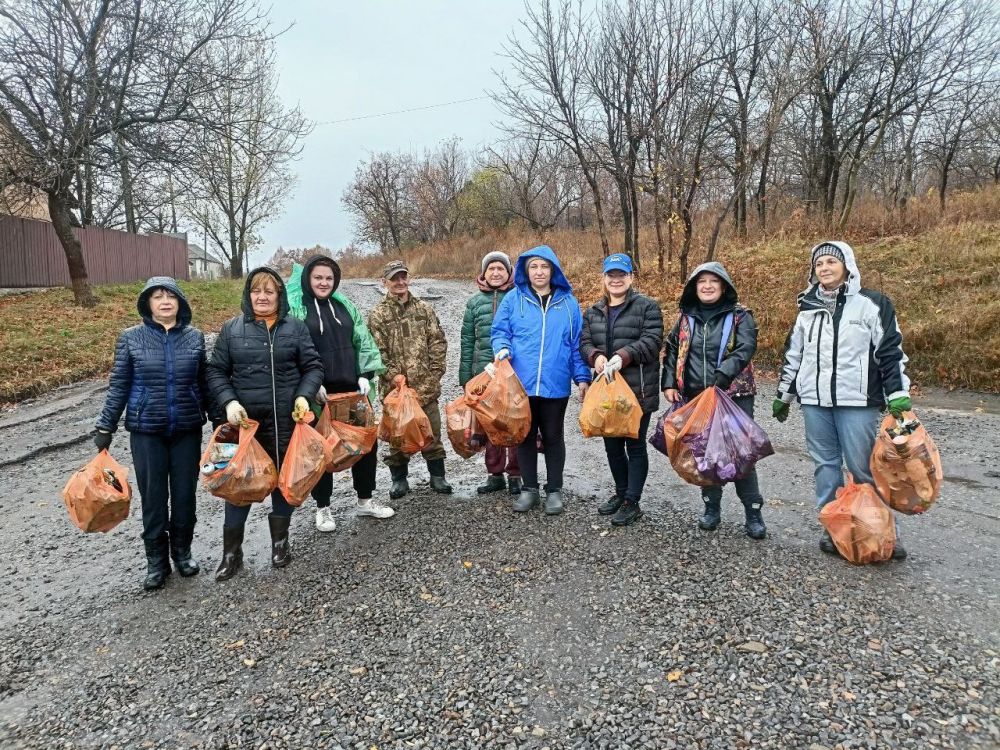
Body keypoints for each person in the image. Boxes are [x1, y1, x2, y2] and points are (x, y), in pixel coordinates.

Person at [774, 241, 911, 560]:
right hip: (815, 401)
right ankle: (834, 525)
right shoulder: (806, 308)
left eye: (831, 262)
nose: (824, 268)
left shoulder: (871, 304)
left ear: (847, 265)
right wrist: (784, 394)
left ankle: (884, 530)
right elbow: (795, 354)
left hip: (857, 401)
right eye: (818, 263)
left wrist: (897, 393)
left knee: (865, 468)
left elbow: (889, 352)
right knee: (825, 466)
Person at [206, 267, 324, 580]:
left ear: (278, 296)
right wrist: (228, 402)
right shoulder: (232, 330)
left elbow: (313, 367)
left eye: (269, 292)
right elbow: (215, 371)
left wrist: (304, 396)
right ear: (248, 294)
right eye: (257, 291)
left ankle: (280, 543)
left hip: (287, 421)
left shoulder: (295, 328)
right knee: (237, 485)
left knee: (285, 482)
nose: (262, 297)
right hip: (246, 426)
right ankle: (231, 553)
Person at [94, 277, 208, 590]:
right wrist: (106, 425)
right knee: (154, 499)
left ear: (180, 302)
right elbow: (119, 385)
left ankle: (182, 553)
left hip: (186, 430)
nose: (165, 301)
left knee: (185, 496)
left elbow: (205, 383)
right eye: (157, 296)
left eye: (171, 296)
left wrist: (221, 420)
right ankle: (156, 563)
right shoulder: (131, 338)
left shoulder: (195, 338)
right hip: (146, 433)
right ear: (148, 304)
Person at [662, 262, 767, 539]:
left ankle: (753, 511)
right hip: (696, 396)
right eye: (701, 282)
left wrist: (722, 377)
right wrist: (669, 382)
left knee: (739, 453)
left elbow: (745, 347)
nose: (707, 286)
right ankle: (711, 507)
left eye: (713, 281)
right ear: (694, 288)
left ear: (724, 285)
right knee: (704, 453)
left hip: (733, 394)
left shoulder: (740, 316)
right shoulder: (686, 318)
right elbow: (672, 348)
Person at [293, 255, 392, 531]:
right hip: (320, 396)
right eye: (318, 277)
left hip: (352, 390)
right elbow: (294, 352)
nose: (324, 283)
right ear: (308, 280)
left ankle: (365, 501)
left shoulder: (344, 305)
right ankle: (323, 508)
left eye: (328, 278)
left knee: (364, 445)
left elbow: (363, 340)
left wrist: (366, 374)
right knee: (323, 450)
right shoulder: (298, 310)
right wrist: (310, 384)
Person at [491, 245, 591, 515]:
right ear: (526, 270)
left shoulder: (568, 303)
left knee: (553, 436)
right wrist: (501, 348)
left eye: (544, 267)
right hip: (520, 383)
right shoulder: (514, 299)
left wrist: (582, 377)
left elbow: (576, 344)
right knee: (524, 436)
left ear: (553, 270)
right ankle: (529, 489)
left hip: (555, 383)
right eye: (533, 266)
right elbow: (500, 331)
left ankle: (555, 490)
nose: (538, 272)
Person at [580, 253, 663, 526]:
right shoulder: (593, 312)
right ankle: (620, 492)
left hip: (638, 390)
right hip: (606, 392)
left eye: (621, 275)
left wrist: (624, 355)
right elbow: (584, 342)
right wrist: (595, 356)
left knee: (635, 445)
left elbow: (652, 341)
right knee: (612, 445)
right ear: (604, 279)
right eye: (611, 276)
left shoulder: (647, 307)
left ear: (631, 278)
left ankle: (632, 501)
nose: (616, 280)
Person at [368, 259, 451, 499]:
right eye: (395, 278)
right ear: (385, 282)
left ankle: (438, 476)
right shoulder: (378, 314)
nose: (400, 282)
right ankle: (399, 479)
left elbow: (437, 341)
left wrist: (435, 374)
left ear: (409, 279)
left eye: (403, 277)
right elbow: (377, 351)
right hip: (395, 391)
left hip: (425, 387)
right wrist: (393, 376)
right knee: (397, 437)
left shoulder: (424, 309)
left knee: (432, 433)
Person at [459, 251, 521, 496]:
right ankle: (494, 474)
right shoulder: (474, 303)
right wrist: (466, 376)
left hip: (511, 371)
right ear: (484, 273)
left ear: (509, 273)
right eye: (491, 269)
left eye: (501, 269)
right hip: (484, 373)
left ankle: (516, 474)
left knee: (512, 423)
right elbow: (467, 340)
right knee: (489, 423)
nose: (496, 273)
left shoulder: (518, 297)